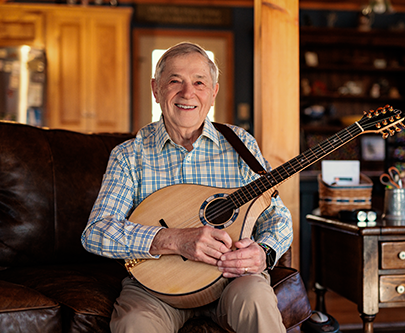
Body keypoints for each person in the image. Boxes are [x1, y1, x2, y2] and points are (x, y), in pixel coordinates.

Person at [81, 42, 293, 333]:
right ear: (156, 89)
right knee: (134, 324)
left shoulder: (241, 145)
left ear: (213, 92)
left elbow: (277, 216)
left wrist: (265, 252)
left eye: (199, 82)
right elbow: (96, 232)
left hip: (231, 279)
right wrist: (174, 240)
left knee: (256, 299)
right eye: (174, 81)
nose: (187, 93)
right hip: (156, 289)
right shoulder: (129, 155)